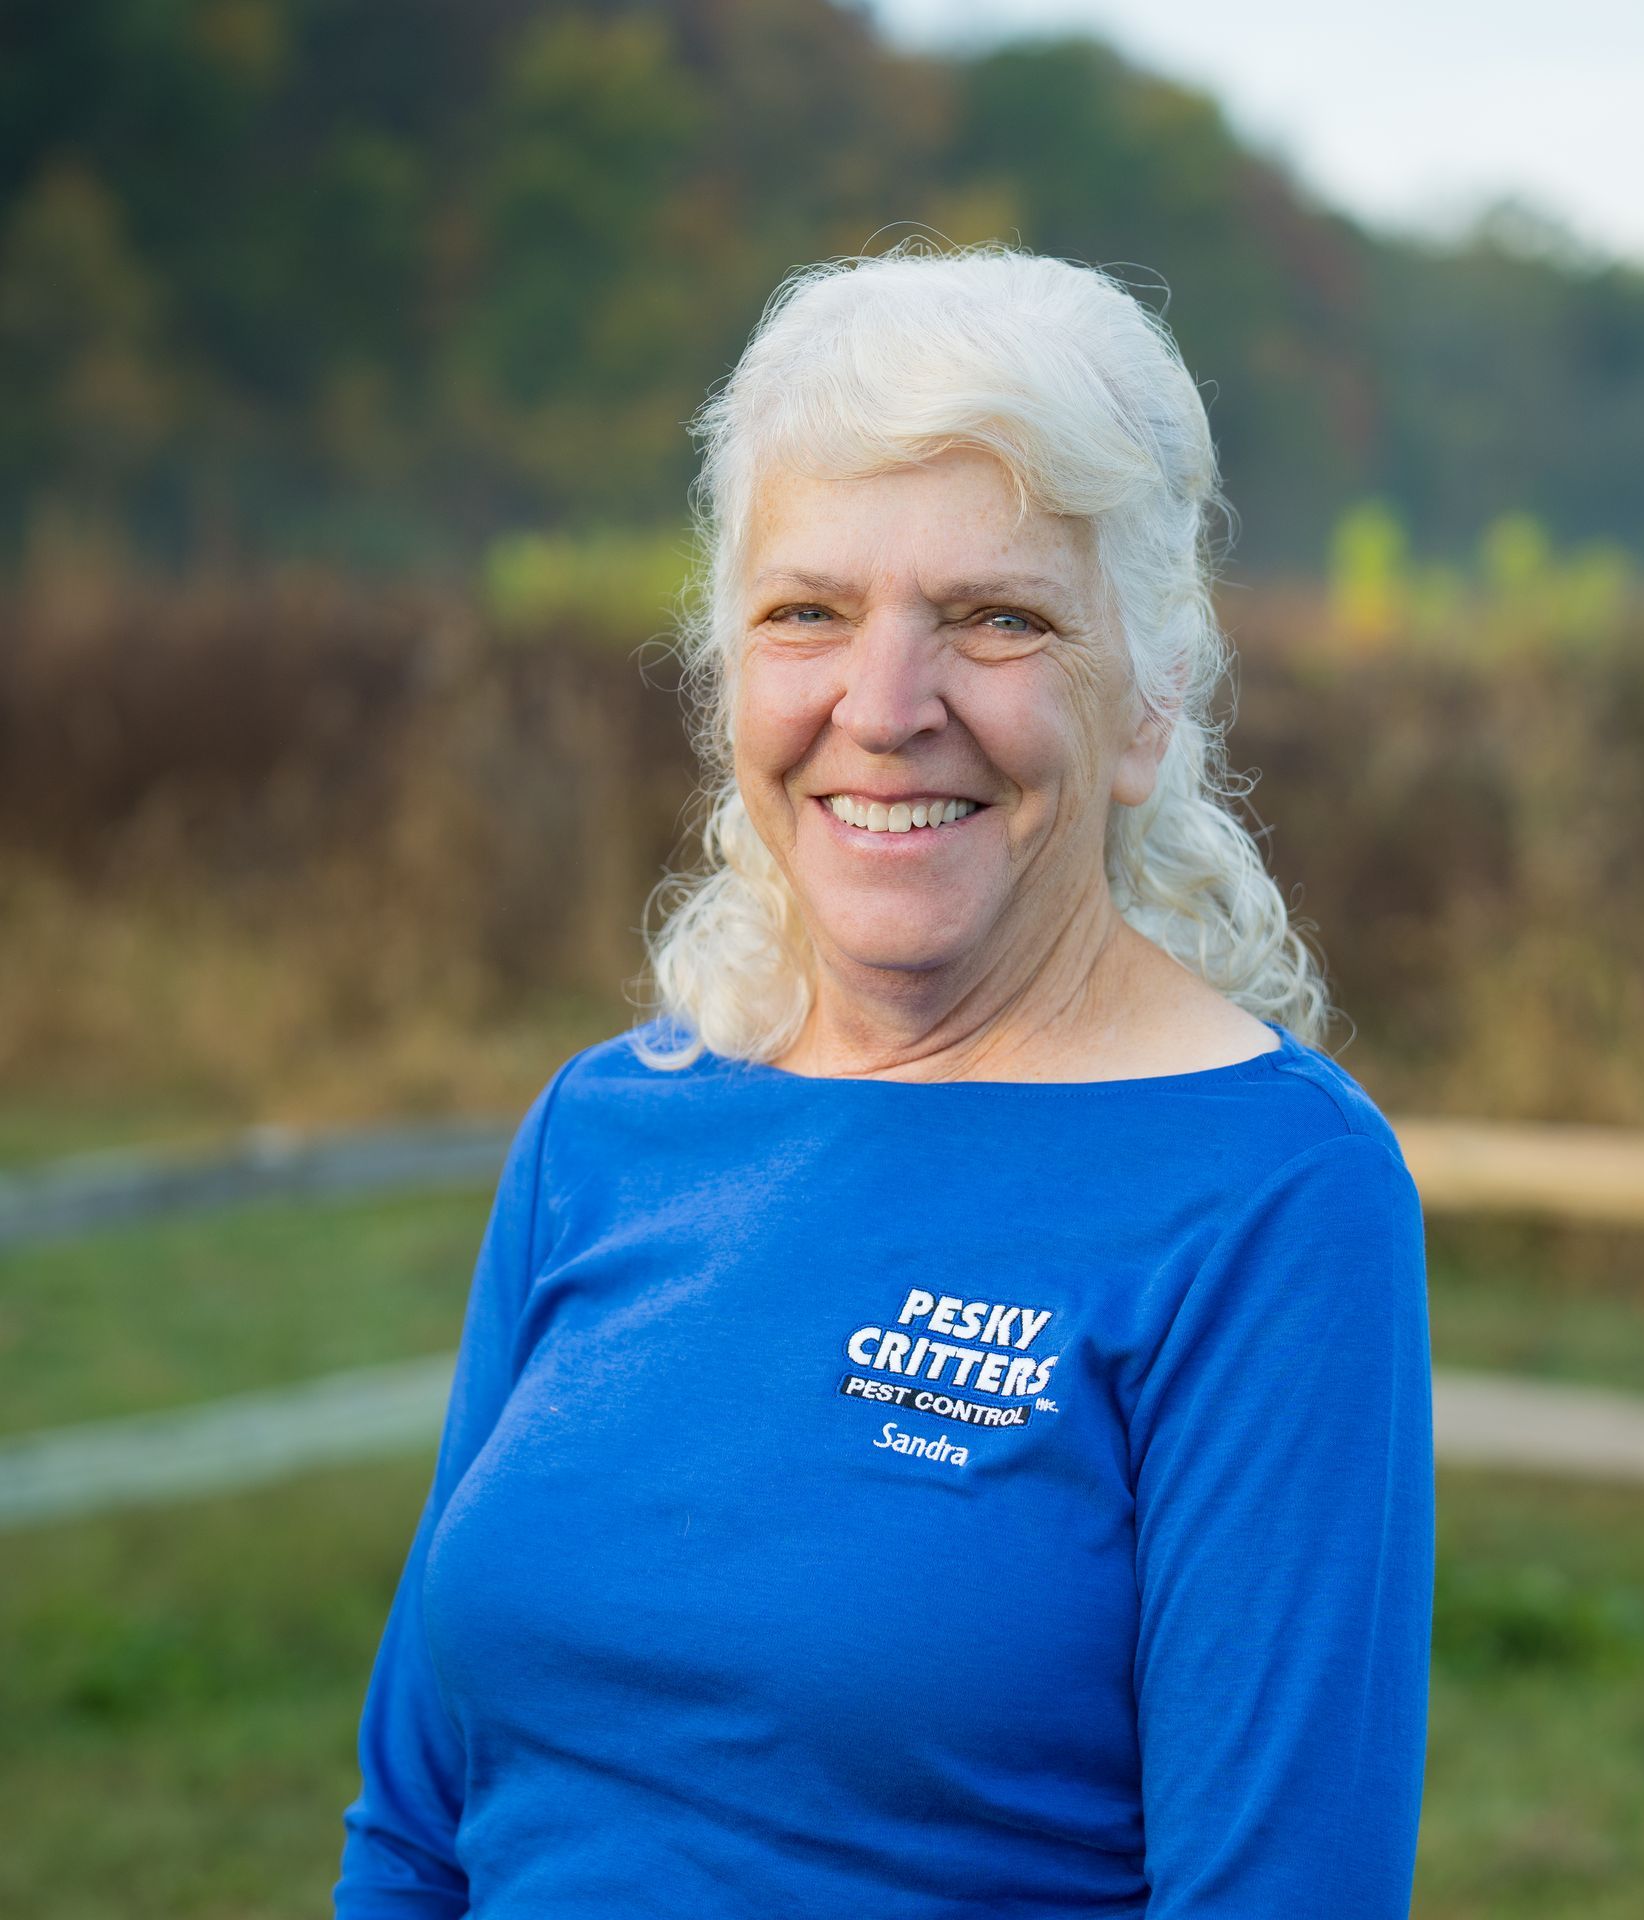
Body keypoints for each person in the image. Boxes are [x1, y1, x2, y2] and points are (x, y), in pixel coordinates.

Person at [335, 239, 1435, 1918]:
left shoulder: (1272, 1196)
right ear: (730, 681)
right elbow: (415, 1827)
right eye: (808, 614)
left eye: (998, 618)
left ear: (1149, 704)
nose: (885, 704)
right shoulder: (609, 1128)